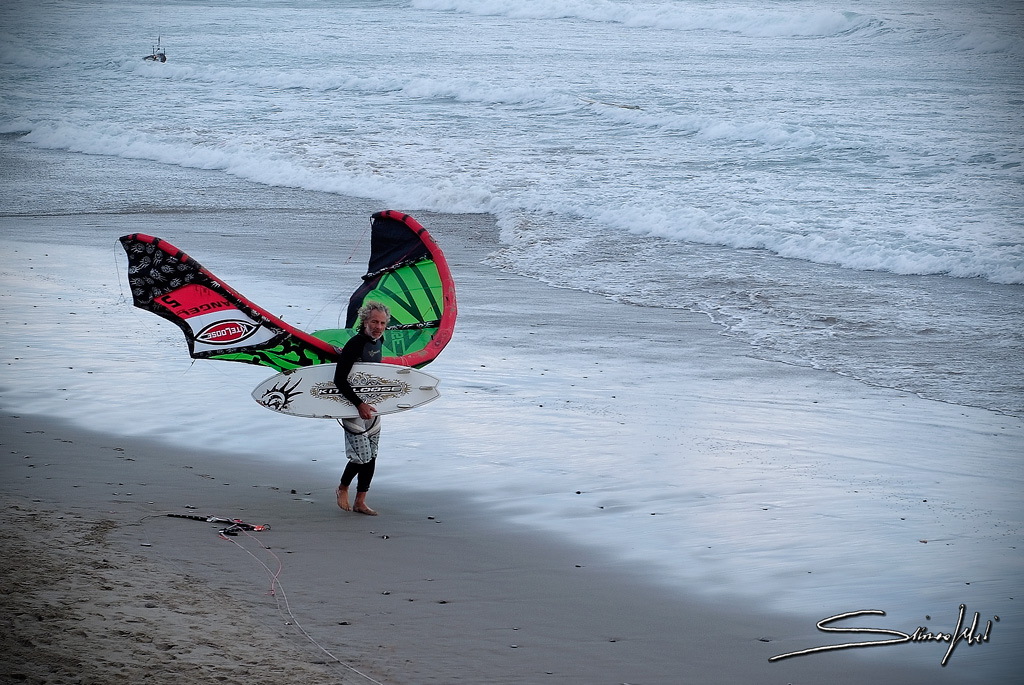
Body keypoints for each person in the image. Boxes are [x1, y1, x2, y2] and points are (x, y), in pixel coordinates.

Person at [333, 301, 390, 515]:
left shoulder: (379, 341)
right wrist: (358, 404)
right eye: (374, 321)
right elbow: (339, 379)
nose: (378, 326)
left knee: (372, 455)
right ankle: (343, 488)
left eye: (382, 323)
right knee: (361, 456)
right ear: (365, 321)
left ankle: (361, 501)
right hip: (351, 406)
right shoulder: (355, 344)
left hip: (373, 407)